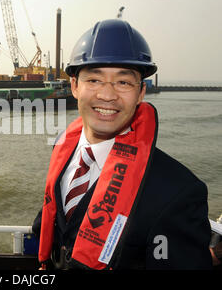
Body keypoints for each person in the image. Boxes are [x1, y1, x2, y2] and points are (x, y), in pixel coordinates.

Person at [32, 19, 212, 270]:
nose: (107, 95)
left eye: (123, 82)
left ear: (141, 93)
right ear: (74, 86)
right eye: (94, 80)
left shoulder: (179, 192)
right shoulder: (62, 149)